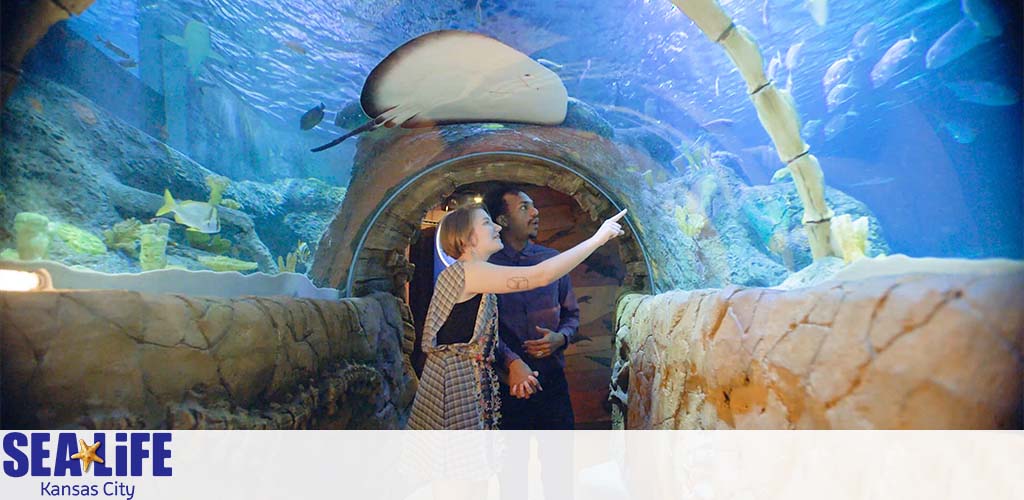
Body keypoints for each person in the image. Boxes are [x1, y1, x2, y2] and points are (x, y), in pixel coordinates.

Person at [406, 203, 626, 430]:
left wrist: (514, 364)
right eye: (486, 223)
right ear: (465, 238)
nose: (497, 228)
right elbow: (541, 275)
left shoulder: (469, 273)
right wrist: (597, 239)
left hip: (461, 382)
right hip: (453, 388)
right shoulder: (468, 271)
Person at [484, 186, 580, 430]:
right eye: (524, 207)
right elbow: (483, 329)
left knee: (559, 459)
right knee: (511, 462)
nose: (536, 212)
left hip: (552, 380)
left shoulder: (552, 260)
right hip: (506, 384)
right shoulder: (486, 267)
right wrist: (511, 361)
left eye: (534, 205)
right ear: (503, 220)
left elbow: (571, 315)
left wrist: (561, 338)